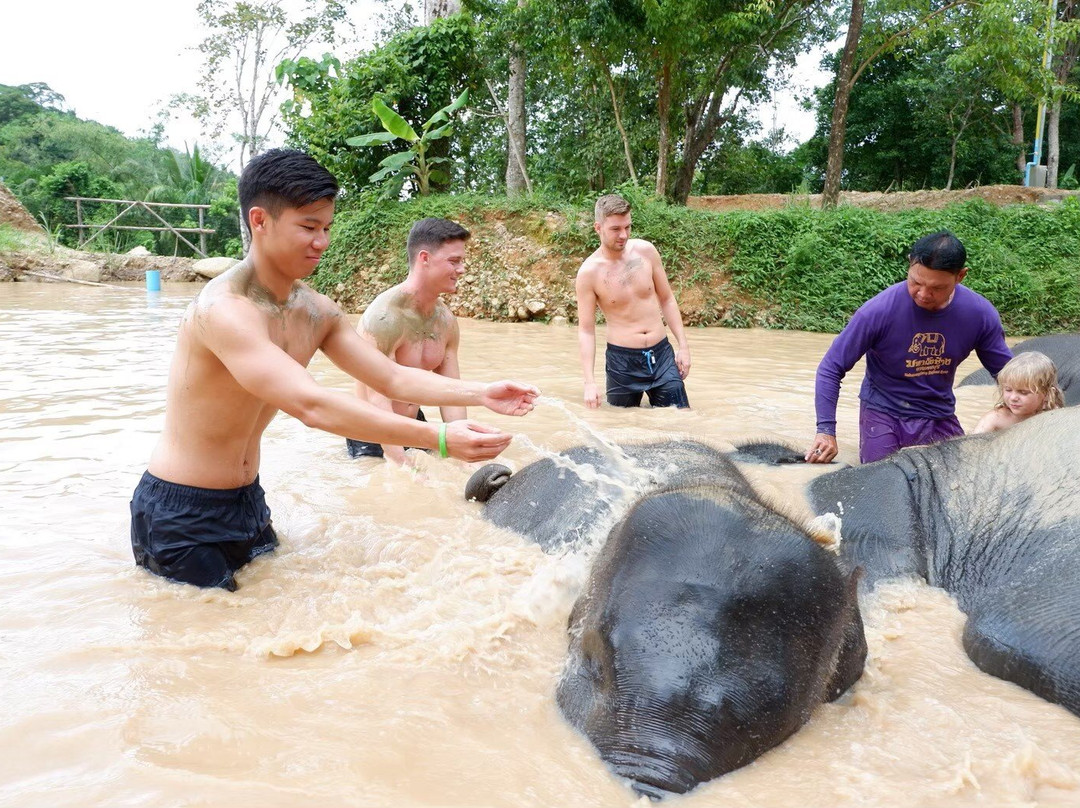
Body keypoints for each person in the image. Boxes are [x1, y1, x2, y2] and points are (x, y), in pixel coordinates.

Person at [129, 149, 539, 591]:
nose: (322, 241)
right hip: (181, 510)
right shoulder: (225, 311)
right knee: (207, 641)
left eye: (326, 227)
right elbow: (312, 404)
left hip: (248, 501)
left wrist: (479, 393)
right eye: (307, 227)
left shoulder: (315, 311)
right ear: (260, 221)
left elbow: (392, 378)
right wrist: (438, 439)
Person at [805, 230, 1012, 465]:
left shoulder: (979, 314)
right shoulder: (877, 312)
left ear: (960, 276)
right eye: (916, 282)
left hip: (938, 414)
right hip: (883, 412)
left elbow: (1009, 375)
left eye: (937, 288)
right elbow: (831, 368)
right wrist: (825, 430)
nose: (923, 294)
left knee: (959, 479)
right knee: (880, 482)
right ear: (909, 265)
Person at [347, 217, 472, 464]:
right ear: (424, 258)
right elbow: (378, 399)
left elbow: (452, 394)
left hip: (414, 423)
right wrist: (401, 464)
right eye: (454, 261)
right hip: (371, 429)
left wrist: (465, 452)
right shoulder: (384, 319)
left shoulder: (445, 321)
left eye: (462, 261)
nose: (462, 269)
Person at [576, 193, 691, 409]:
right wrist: (589, 383)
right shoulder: (589, 273)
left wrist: (683, 347)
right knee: (622, 429)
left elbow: (667, 299)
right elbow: (586, 330)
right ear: (598, 228)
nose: (623, 235)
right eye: (615, 229)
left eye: (627, 227)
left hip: (662, 355)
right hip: (622, 362)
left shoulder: (646, 252)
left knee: (681, 420)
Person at [973, 351, 1064, 433]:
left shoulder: (1053, 416)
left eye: (1023, 392)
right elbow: (973, 445)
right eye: (1008, 390)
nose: (1013, 398)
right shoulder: (995, 419)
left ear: (1047, 394)